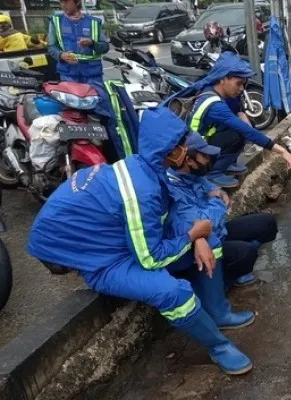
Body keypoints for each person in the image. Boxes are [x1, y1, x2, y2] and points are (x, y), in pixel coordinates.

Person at [26, 107, 255, 375]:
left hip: (115, 238)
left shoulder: (146, 168)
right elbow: (150, 257)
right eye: (182, 144)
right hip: (102, 258)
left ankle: (218, 313)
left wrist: (199, 236)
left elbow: (165, 220)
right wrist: (192, 235)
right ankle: (218, 346)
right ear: (170, 149)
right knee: (172, 292)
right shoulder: (141, 190)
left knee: (210, 239)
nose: (187, 148)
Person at [165, 132, 279, 289]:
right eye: (203, 156)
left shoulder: (193, 175)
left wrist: (219, 194)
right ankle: (221, 281)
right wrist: (217, 201)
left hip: (219, 231)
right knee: (246, 253)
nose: (207, 160)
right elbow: (204, 224)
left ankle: (235, 264)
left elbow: (213, 189)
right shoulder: (172, 188)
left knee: (267, 223)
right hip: (199, 246)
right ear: (189, 159)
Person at [185, 52, 291, 188]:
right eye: (238, 84)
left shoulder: (210, 89)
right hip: (196, 151)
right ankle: (213, 172)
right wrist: (282, 151)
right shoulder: (214, 105)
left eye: (243, 84)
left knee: (242, 128)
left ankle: (225, 163)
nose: (241, 89)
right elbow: (245, 130)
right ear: (223, 79)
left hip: (200, 140)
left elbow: (240, 115)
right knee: (237, 134)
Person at [47, 0, 109, 86]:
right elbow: (51, 47)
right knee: (70, 99)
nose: (63, 5)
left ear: (77, 2)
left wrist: (92, 43)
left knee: (97, 99)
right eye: (61, 2)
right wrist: (61, 55)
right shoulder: (56, 21)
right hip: (68, 75)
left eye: (66, 2)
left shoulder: (94, 22)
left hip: (92, 75)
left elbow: (105, 47)